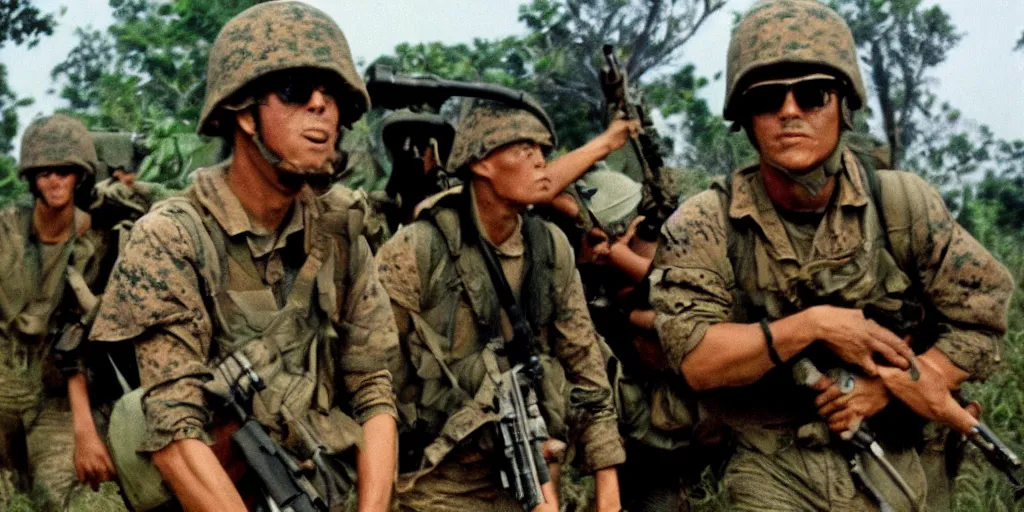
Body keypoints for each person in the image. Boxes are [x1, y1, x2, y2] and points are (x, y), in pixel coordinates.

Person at [648, 0, 1014, 510]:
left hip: (901, 458)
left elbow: (982, 319)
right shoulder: (706, 221)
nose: (789, 111)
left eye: (813, 94)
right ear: (746, 119)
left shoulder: (901, 205)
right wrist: (815, 325)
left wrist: (890, 386)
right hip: (773, 463)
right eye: (767, 99)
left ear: (843, 104)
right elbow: (697, 360)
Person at [89, 2, 399, 510]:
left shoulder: (342, 231)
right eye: (296, 92)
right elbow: (175, 434)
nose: (322, 106)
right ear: (246, 114)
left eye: (334, 94)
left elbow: (374, 390)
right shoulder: (172, 239)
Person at [375, 97, 631, 511]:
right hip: (437, 481)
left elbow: (586, 370)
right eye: (523, 150)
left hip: (531, 470)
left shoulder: (550, 249)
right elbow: (373, 376)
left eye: (542, 152)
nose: (540, 163)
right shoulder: (418, 248)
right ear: (481, 163)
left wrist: (608, 488)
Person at [0, 114, 127, 510]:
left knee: (65, 496)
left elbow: (77, 341)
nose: (54, 181)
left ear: (80, 176)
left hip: (56, 394)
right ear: (31, 178)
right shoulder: (5, 233)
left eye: (65, 171)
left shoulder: (100, 244)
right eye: (44, 172)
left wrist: (84, 430)